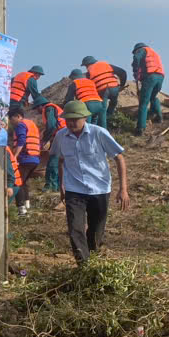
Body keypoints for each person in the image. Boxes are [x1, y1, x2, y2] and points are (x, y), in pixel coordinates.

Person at [53, 99, 130, 265]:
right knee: (75, 228)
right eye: (68, 120)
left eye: (75, 119)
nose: (71, 123)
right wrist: (62, 186)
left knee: (95, 231)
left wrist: (123, 189)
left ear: (85, 118)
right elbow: (61, 160)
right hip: (74, 189)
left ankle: (93, 260)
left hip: (100, 189)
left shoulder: (99, 133)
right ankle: (84, 265)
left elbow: (119, 158)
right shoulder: (61, 136)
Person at [7, 103, 41, 215]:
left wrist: (15, 156)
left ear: (18, 116)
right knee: (23, 182)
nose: (11, 122)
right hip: (35, 158)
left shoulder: (20, 125)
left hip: (25, 157)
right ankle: (27, 204)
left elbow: (21, 140)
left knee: (18, 182)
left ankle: (21, 209)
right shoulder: (31, 124)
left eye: (11, 118)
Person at [131, 42, 166, 137]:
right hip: (160, 77)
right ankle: (159, 117)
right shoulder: (153, 53)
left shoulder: (141, 50)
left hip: (151, 77)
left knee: (143, 103)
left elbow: (136, 58)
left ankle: (140, 128)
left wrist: (135, 70)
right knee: (153, 97)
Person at [83, 56, 128, 122]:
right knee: (113, 103)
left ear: (87, 65)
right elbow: (123, 72)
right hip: (114, 88)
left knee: (102, 109)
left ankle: (103, 124)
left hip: (102, 91)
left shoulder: (88, 73)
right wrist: (122, 85)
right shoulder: (106, 65)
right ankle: (109, 117)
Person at [38, 99, 66, 192]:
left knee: (53, 161)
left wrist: (45, 139)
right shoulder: (53, 108)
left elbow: (51, 126)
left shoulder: (49, 108)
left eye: (37, 108)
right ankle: (57, 185)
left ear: (40, 106)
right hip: (64, 134)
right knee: (59, 161)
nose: (37, 111)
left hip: (62, 135)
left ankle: (51, 186)